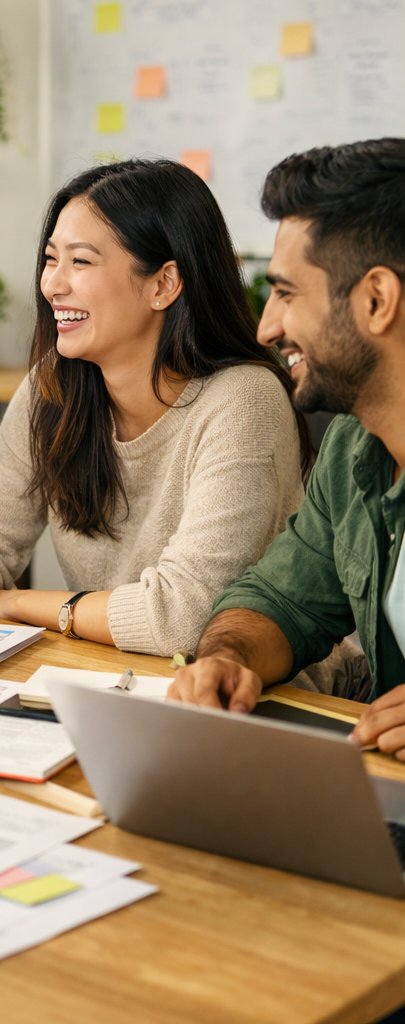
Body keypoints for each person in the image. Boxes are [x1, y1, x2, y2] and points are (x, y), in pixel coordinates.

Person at [0, 159, 311, 657]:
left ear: (164, 284)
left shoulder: (243, 401)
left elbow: (185, 618)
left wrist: (17, 605)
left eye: (81, 261)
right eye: (52, 259)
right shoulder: (53, 385)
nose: (52, 284)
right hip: (110, 682)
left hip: (258, 699)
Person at [169, 138, 405, 755]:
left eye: (287, 293)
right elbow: (277, 600)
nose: (266, 327)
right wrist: (228, 657)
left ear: (376, 300)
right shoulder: (358, 448)